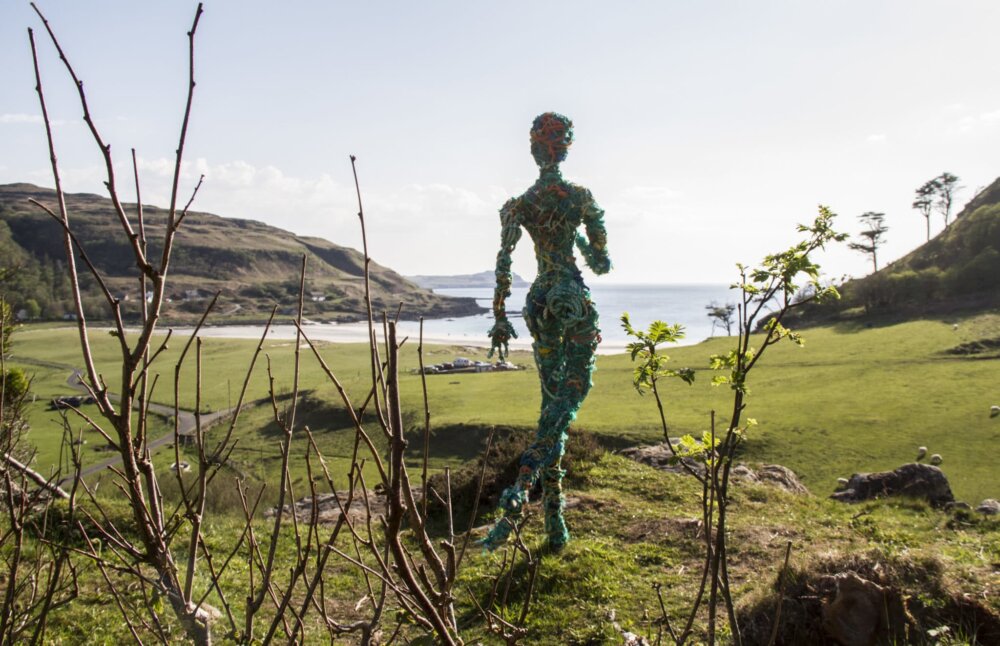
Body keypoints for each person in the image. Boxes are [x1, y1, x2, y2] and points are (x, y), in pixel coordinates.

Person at [484, 112, 611, 550]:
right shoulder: (579, 198)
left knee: (550, 402)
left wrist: (500, 317)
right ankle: (520, 490)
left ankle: (554, 522)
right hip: (570, 297)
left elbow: (503, 264)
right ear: (567, 148)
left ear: (535, 150)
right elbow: (600, 263)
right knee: (565, 402)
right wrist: (578, 242)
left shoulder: (519, 205)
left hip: (537, 300)